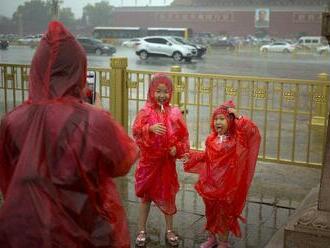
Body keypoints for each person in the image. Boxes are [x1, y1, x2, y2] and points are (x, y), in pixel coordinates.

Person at [0, 21, 139, 248]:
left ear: (36, 69)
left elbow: (7, 176)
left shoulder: (11, 120)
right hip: (85, 232)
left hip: (24, 232)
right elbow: (121, 164)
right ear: (79, 70)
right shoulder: (94, 120)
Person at [184, 100, 261, 248]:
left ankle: (223, 242)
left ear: (230, 121)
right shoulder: (210, 139)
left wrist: (239, 117)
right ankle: (212, 238)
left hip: (227, 187)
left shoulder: (236, 140)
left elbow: (251, 130)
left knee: (224, 215)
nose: (218, 122)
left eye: (222, 119)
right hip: (210, 185)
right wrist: (191, 156)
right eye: (216, 119)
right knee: (211, 212)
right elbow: (206, 156)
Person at [132, 73, 190, 247]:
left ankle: (169, 230)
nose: (162, 95)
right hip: (149, 164)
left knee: (168, 196)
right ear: (151, 92)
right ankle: (141, 229)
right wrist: (149, 128)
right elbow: (135, 132)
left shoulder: (174, 113)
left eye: (166, 91)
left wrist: (177, 149)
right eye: (158, 91)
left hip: (166, 164)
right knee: (146, 197)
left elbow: (183, 136)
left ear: (170, 93)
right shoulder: (145, 112)